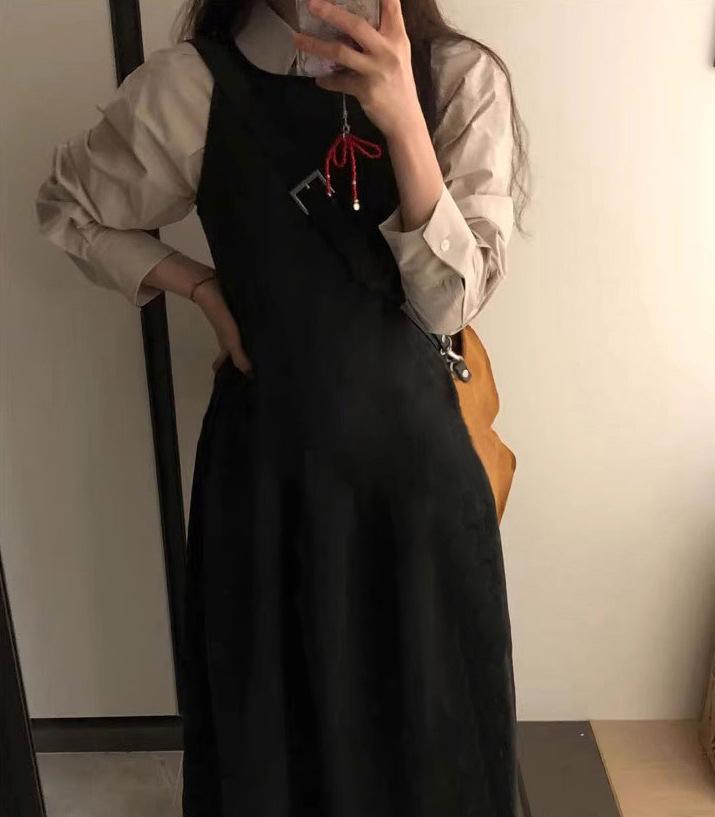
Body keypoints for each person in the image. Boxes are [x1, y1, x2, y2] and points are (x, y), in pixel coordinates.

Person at [35, 0, 530, 814]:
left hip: (417, 490)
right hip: (265, 484)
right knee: (273, 751)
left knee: (433, 747)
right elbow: (68, 205)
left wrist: (403, 119)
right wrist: (199, 285)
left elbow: (449, 302)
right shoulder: (195, 85)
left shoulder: (457, 79)